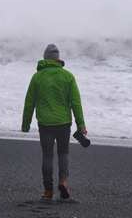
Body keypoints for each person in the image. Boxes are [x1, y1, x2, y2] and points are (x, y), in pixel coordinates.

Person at [21, 44, 87, 201]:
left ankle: (48, 191)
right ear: (58, 59)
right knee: (63, 154)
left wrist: (25, 124)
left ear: (45, 58)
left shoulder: (37, 77)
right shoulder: (68, 76)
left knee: (47, 156)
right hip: (63, 123)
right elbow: (75, 103)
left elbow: (29, 102)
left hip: (45, 123)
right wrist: (81, 125)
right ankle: (63, 181)